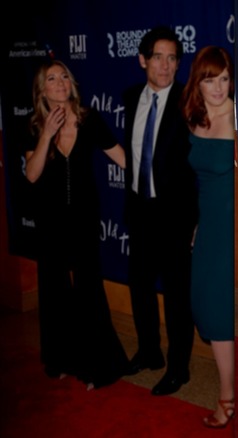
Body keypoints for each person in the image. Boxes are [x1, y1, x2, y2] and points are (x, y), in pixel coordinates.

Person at [25, 59, 129, 390]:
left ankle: (98, 366)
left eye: (64, 77)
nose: (60, 82)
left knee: (88, 289)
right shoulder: (34, 126)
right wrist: (47, 135)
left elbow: (121, 158)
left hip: (84, 217)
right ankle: (59, 358)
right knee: (54, 288)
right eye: (51, 78)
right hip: (50, 220)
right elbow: (32, 174)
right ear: (41, 90)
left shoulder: (88, 118)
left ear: (72, 83)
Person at [122, 26, 198, 397]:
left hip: (175, 217)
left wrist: (196, 219)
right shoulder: (130, 98)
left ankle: (178, 368)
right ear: (143, 60)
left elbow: (197, 166)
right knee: (139, 287)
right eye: (158, 57)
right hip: (139, 210)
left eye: (172, 58)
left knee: (177, 296)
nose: (166, 65)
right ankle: (148, 351)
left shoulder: (188, 102)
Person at [181, 45, 236, 427]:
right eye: (209, 80)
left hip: (230, 228)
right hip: (206, 225)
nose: (218, 88)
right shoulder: (192, 117)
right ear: (197, 83)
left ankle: (228, 397)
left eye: (224, 79)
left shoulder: (237, 119)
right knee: (204, 304)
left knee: (219, 310)